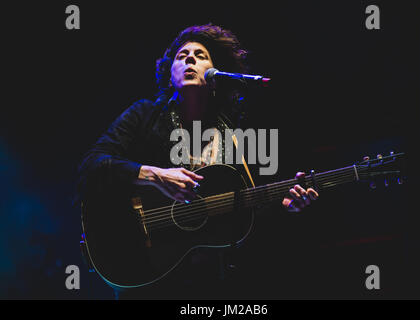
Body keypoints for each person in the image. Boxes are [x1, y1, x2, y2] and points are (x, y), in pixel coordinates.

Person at [77, 24, 319, 299]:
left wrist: (284, 205)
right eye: (182, 56)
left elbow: (237, 211)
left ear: (215, 77)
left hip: (212, 282)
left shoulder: (231, 133)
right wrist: (154, 174)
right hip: (150, 272)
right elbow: (91, 165)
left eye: (200, 55)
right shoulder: (144, 115)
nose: (190, 58)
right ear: (170, 75)